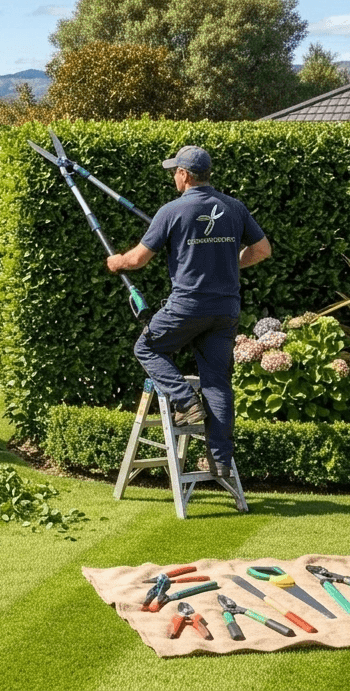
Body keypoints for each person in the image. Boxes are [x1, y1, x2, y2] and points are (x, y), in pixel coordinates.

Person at [105, 146, 271, 477]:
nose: (173, 177)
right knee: (217, 380)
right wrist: (231, 266)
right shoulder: (234, 208)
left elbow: (137, 260)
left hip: (187, 306)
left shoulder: (172, 211)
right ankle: (220, 460)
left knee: (147, 347)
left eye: (174, 172)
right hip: (226, 308)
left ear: (184, 175)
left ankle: (185, 402)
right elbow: (262, 250)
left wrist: (116, 262)